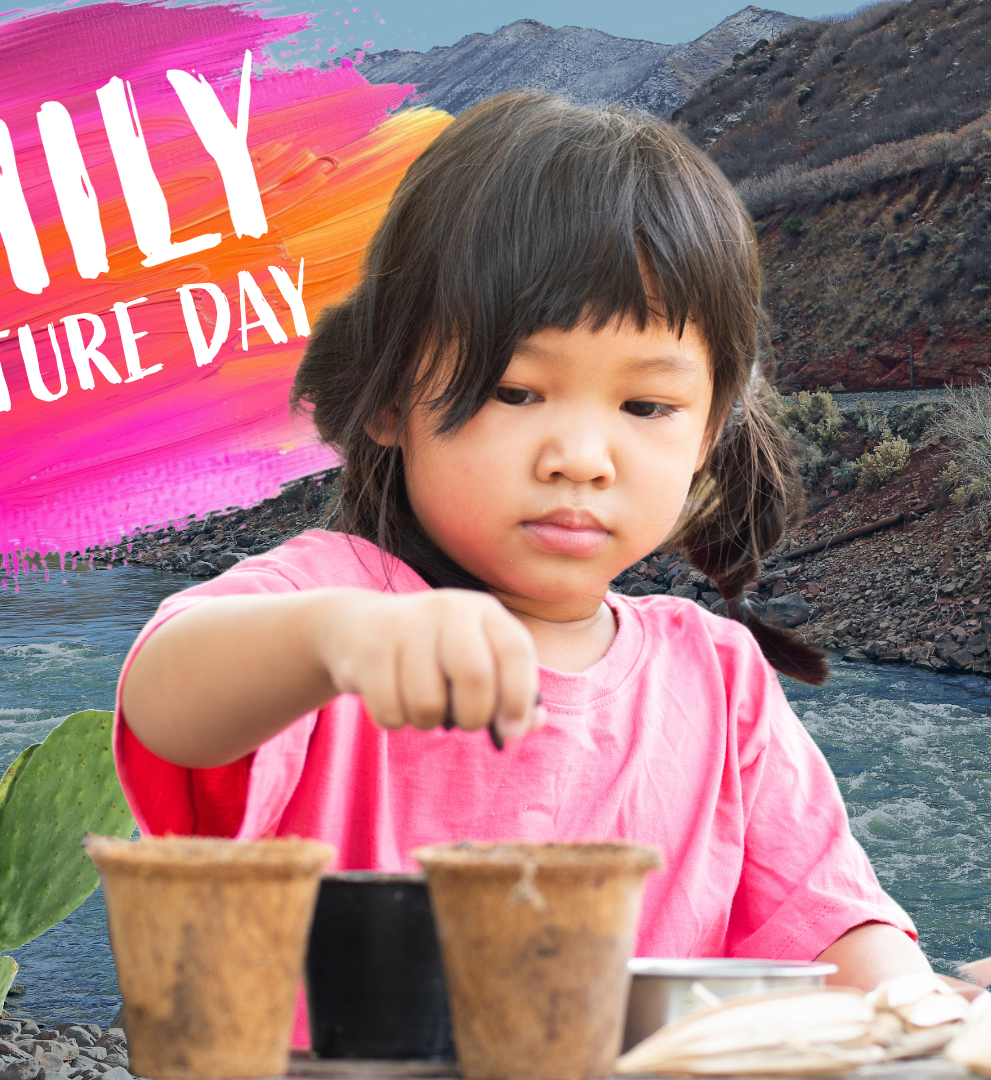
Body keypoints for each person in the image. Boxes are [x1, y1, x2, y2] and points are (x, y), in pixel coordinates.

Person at [115, 91, 940, 1001]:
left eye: (646, 407)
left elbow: (833, 924)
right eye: (516, 391)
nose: (580, 459)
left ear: (709, 431)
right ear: (390, 395)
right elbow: (167, 705)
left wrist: (923, 1011)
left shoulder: (720, 678)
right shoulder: (328, 606)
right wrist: (334, 643)